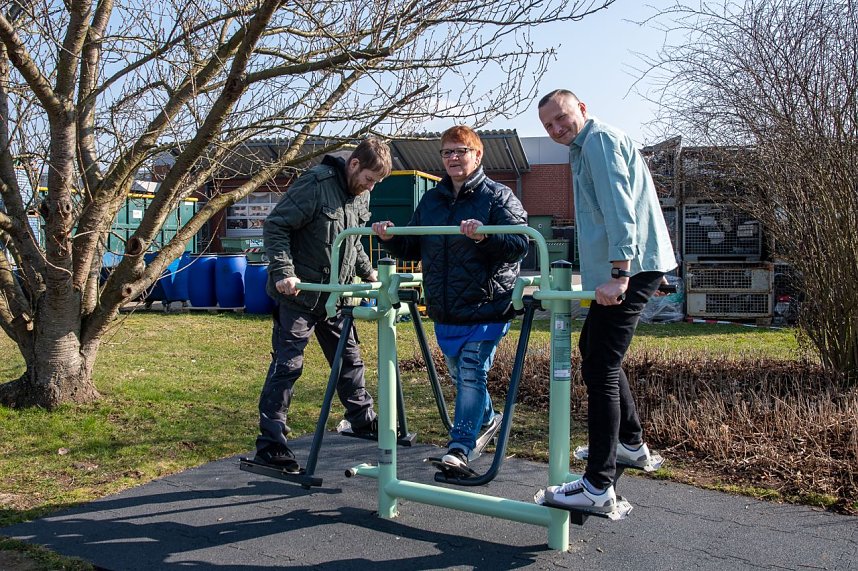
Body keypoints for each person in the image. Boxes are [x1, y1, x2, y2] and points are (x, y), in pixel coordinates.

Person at [536, 90, 677, 511]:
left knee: (600, 365)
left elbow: (621, 209)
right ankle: (630, 444)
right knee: (597, 354)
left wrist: (621, 273)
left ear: (582, 107)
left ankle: (598, 484)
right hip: (635, 266)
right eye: (548, 127)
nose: (557, 130)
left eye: (561, 118)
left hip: (627, 270)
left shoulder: (598, 141)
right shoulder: (587, 145)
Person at [372, 125, 528, 473]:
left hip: (487, 304)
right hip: (447, 308)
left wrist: (483, 237)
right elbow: (415, 245)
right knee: (461, 376)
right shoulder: (432, 201)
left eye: (461, 151)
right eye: (447, 153)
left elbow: (519, 245)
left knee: (471, 373)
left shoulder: (498, 196)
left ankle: (460, 447)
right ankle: (488, 420)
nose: (454, 158)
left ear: (478, 155)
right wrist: (390, 237)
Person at [253, 137, 393, 472]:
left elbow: (353, 238)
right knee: (288, 366)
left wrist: (368, 271)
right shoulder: (315, 184)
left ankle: (362, 419)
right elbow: (276, 226)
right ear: (354, 165)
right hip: (299, 295)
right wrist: (284, 273)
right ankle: (271, 444)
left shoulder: (362, 194)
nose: (370, 187)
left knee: (349, 360)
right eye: (369, 179)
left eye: (376, 183)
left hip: (335, 294)